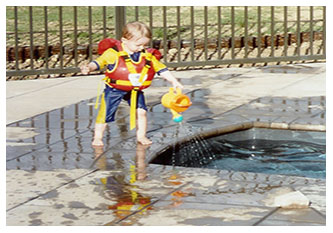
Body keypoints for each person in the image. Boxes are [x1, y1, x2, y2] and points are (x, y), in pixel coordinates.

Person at [80, 21, 183, 146]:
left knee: (142, 112)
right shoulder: (113, 53)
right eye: (138, 45)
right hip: (114, 89)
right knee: (105, 113)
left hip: (135, 90)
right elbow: (98, 62)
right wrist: (89, 68)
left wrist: (174, 81)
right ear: (124, 40)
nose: (141, 48)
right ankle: (97, 137)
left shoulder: (147, 55)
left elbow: (161, 69)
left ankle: (141, 136)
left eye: (145, 45)